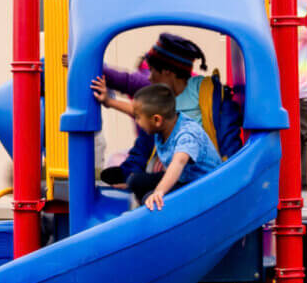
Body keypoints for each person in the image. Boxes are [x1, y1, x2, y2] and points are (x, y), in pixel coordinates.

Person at [92, 33, 242, 188]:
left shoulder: (207, 94)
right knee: (147, 134)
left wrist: (230, 170)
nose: (149, 78)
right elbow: (140, 112)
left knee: (146, 174)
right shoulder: (161, 97)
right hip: (171, 160)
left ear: (167, 72)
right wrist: (108, 101)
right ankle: (129, 171)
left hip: (196, 170)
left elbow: (227, 133)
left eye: (152, 71)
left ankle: (136, 180)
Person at [126, 84, 222, 210]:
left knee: (152, 200)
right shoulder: (164, 125)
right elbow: (140, 111)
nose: (136, 121)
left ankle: (152, 216)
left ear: (156, 120)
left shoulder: (187, 134)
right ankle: (145, 206)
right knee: (135, 181)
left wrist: (159, 192)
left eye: (138, 118)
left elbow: (179, 162)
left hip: (205, 187)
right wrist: (108, 101)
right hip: (183, 179)